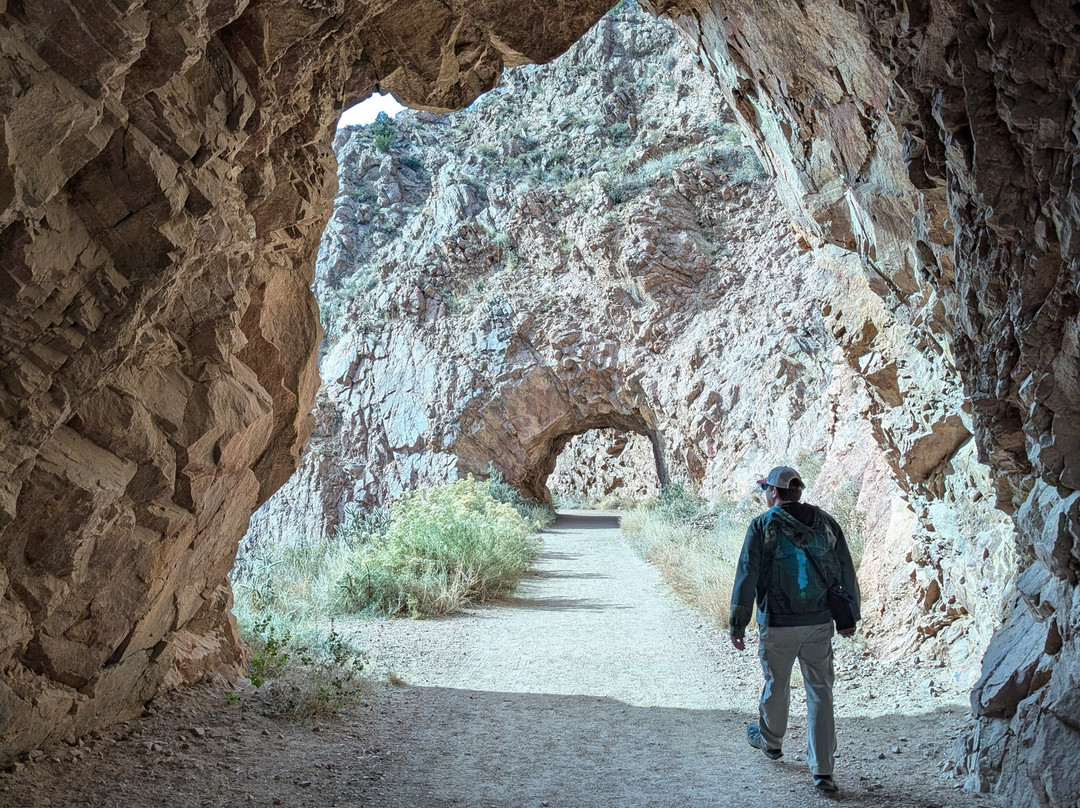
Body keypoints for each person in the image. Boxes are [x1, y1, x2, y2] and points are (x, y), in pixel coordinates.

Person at [729, 465, 860, 794]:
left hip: (778, 623)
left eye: (766, 490)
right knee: (821, 693)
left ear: (774, 491)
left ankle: (771, 741)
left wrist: (738, 622)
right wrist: (849, 616)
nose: (765, 495)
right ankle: (823, 772)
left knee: (777, 682)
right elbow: (845, 566)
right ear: (798, 491)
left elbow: (747, 573)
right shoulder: (826, 522)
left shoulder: (762, 525)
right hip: (818, 623)